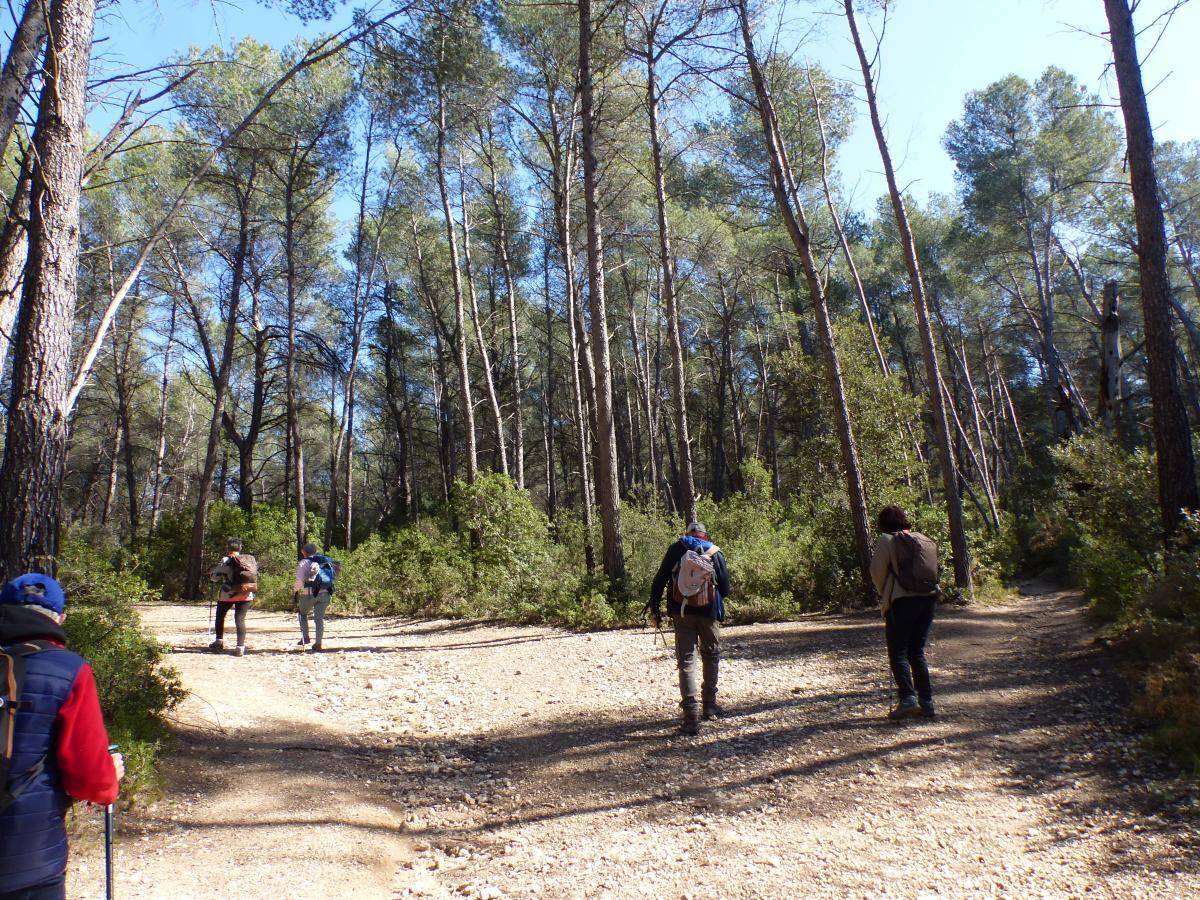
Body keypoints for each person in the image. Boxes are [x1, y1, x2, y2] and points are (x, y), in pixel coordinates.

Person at [0, 573, 124, 900]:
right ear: (60, 617)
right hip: (31, 858)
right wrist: (110, 778)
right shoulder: (69, 670)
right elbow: (91, 779)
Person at [646, 522, 732, 735]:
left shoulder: (677, 549)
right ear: (705, 534)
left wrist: (654, 606)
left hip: (680, 611)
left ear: (687, 535)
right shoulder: (714, 551)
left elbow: (660, 579)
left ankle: (691, 716)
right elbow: (726, 588)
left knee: (686, 660)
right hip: (709, 612)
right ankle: (710, 705)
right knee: (711, 656)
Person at [870, 505, 940, 720]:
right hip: (928, 598)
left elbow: (877, 572)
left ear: (883, 523)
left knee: (898, 651)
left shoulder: (886, 540)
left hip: (901, 601)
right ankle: (927, 702)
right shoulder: (922, 537)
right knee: (916, 651)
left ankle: (908, 698)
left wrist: (887, 593)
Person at [209, 538, 257, 656]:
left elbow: (214, 577)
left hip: (228, 594)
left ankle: (219, 641)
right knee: (240, 619)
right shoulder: (249, 560)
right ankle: (240, 647)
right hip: (246, 591)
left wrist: (213, 576)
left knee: (220, 616)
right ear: (240, 548)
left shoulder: (226, 560)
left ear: (228, 548)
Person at [294, 543, 334, 652]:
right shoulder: (325, 561)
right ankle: (318, 643)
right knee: (319, 619)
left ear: (303, 552)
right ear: (315, 551)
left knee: (302, 614)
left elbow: (299, 580)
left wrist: (295, 590)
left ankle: (305, 637)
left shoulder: (304, 562)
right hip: (325, 594)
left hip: (309, 594)